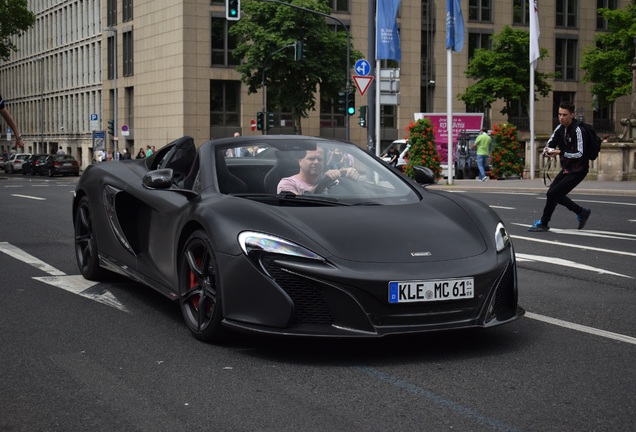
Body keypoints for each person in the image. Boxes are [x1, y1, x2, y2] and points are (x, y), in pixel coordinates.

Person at [528, 101, 592, 232]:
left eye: (564, 114)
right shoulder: (560, 128)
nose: (561, 117)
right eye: (559, 114)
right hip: (567, 168)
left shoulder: (578, 130)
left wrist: (560, 152)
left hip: (579, 169)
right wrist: (548, 151)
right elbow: (550, 143)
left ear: (572, 115)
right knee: (552, 194)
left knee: (553, 193)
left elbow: (580, 153)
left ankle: (544, 222)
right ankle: (581, 212)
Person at [277, 148, 359, 195]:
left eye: (320, 159)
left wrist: (350, 177)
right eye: (311, 159)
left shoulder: (332, 180)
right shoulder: (288, 183)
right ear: (300, 161)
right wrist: (322, 181)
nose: (316, 162)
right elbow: (295, 205)